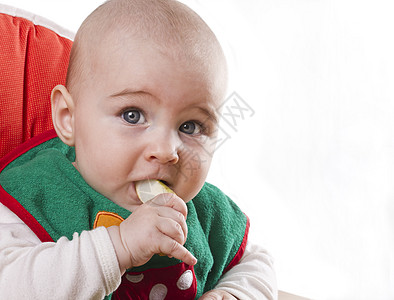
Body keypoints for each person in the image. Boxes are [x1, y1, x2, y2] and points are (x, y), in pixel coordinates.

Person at [0, 0, 277, 299]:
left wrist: (233, 293)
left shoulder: (204, 210)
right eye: (133, 115)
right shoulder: (33, 196)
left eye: (191, 127)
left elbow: (256, 264)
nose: (167, 150)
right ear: (69, 119)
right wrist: (119, 247)